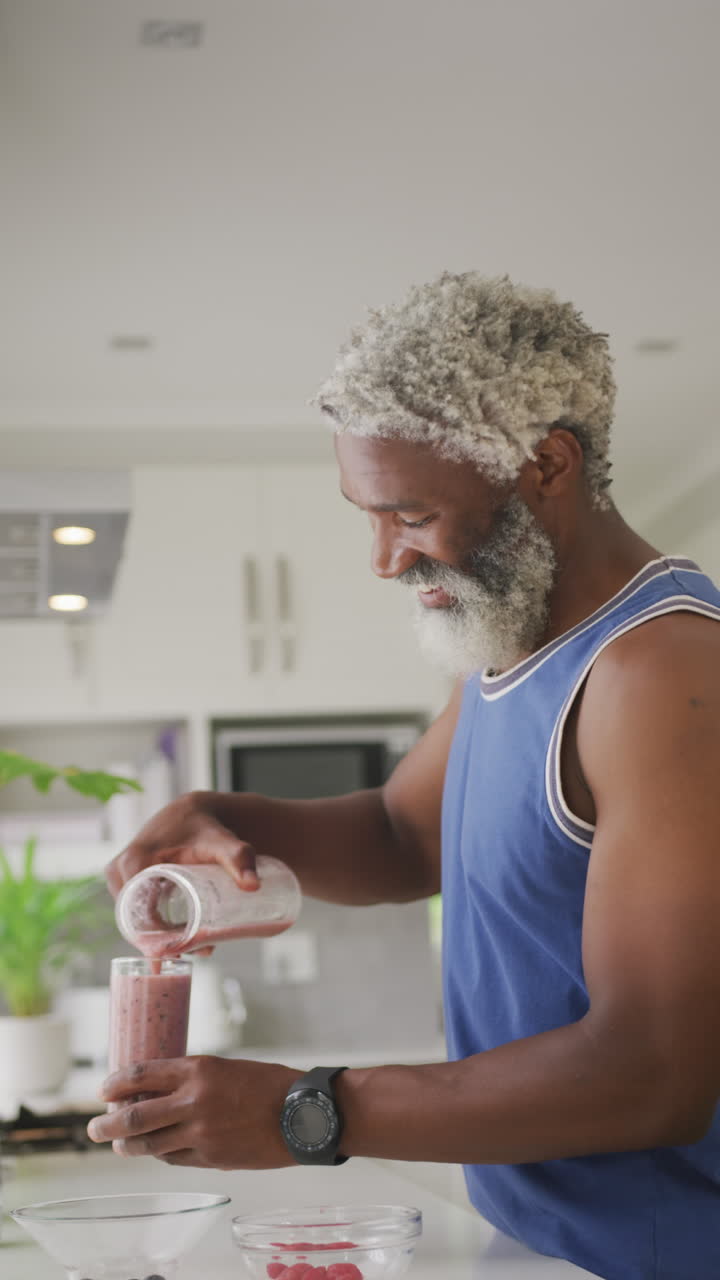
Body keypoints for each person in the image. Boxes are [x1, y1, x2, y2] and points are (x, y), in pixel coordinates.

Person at [88, 272, 720, 1280]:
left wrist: (310, 1108)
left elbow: (654, 1072)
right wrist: (218, 813)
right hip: (534, 1230)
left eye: (412, 513)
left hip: (651, 1252)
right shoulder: (513, 650)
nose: (384, 558)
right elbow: (403, 833)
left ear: (546, 463)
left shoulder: (658, 671)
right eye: (366, 513)